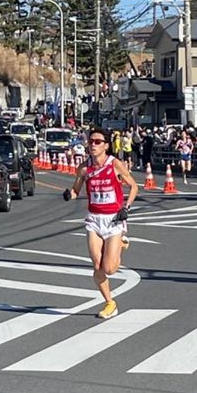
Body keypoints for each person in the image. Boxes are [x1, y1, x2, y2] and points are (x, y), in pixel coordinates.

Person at [63, 128, 138, 320]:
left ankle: (120, 243)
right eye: (91, 141)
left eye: (98, 142)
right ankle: (110, 303)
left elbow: (134, 186)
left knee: (110, 269)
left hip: (113, 219)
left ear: (106, 145)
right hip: (94, 219)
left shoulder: (115, 164)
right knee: (97, 265)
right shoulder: (84, 168)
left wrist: (126, 207)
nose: (93, 145)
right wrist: (68, 195)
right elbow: (76, 190)